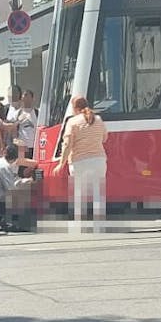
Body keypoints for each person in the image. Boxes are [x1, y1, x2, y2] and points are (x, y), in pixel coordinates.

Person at [54, 96, 109, 232]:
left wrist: (61, 163)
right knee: (97, 193)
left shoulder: (72, 122)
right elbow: (104, 138)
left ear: (75, 108)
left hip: (79, 162)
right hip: (99, 161)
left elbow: (67, 145)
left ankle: (80, 224)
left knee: (79, 193)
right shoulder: (98, 119)